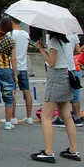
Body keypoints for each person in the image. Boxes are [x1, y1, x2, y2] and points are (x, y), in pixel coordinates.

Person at [31, 31, 80, 163]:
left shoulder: (53, 42)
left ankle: (48, 152)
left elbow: (52, 62)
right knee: (67, 116)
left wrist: (40, 49)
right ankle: (73, 150)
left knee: (45, 116)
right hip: (66, 76)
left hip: (56, 77)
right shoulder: (64, 41)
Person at [0, 17, 18, 130]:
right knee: (8, 98)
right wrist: (15, 74)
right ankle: (7, 122)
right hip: (6, 69)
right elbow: (14, 59)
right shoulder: (10, 41)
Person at [9, 16, 34, 125]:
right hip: (23, 66)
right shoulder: (25, 34)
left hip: (11, 66)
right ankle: (29, 116)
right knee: (26, 91)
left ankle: (12, 117)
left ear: (11, 21)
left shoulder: (10, 34)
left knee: (12, 92)